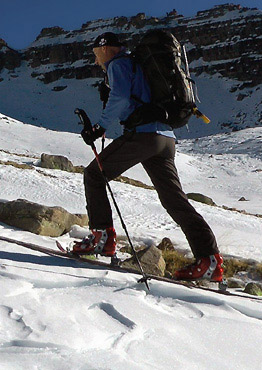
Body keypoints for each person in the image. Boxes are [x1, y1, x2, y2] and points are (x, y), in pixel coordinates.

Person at [70, 32, 224, 282]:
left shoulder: (118, 64)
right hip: (165, 138)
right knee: (175, 200)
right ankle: (209, 260)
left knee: (94, 174)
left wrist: (99, 127)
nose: (96, 59)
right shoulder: (138, 64)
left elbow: (119, 97)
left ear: (108, 49)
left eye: (98, 53)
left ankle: (101, 239)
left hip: (144, 135)